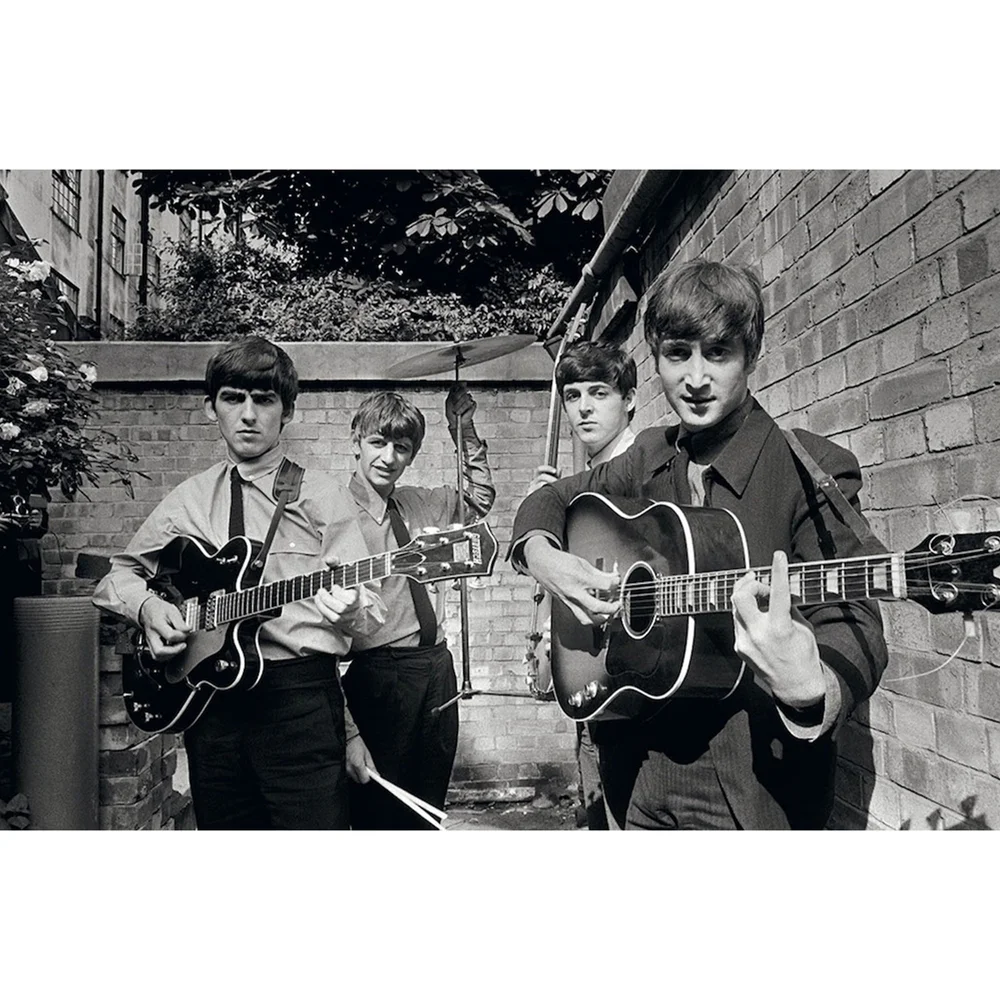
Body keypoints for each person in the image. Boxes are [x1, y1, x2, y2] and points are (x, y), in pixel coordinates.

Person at [509, 259, 888, 830]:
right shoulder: (646, 459)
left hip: (754, 784)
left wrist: (814, 687)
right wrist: (545, 559)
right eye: (678, 354)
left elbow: (854, 615)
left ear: (751, 356)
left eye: (719, 353)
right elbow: (553, 501)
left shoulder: (811, 467)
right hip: (635, 773)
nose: (696, 378)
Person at [93, 337, 386, 830]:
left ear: (286, 411)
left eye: (264, 400)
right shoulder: (188, 499)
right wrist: (147, 610)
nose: (248, 414)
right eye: (233, 398)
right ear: (212, 408)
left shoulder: (322, 497)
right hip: (212, 706)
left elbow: (370, 608)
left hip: (301, 705)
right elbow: (118, 575)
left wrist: (350, 606)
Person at [343, 386, 495, 828]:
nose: (389, 457)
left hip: (436, 670)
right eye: (378, 442)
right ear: (356, 441)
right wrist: (349, 731)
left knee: (428, 809)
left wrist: (462, 428)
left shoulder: (420, 502)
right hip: (378, 675)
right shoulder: (330, 513)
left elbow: (478, 500)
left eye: (402, 447)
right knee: (380, 813)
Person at [527, 341, 638, 830]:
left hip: (634, 693)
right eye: (572, 396)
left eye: (599, 392)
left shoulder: (647, 471)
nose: (584, 408)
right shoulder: (577, 485)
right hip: (593, 685)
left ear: (629, 398)